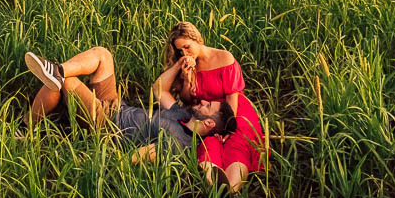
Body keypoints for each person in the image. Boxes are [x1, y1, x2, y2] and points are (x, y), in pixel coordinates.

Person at [21, 47, 235, 160]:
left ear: (209, 124)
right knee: (103, 55)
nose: (203, 102)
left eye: (208, 106)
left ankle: (25, 128)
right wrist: (180, 64)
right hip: (115, 105)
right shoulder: (182, 113)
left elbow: (132, 158)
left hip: (105, 123)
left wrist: (91, 159)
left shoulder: (180, 144)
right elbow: (159, 89)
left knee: (65, 83)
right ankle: (56, 70)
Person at [154, 21, 265, 193]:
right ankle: (213, 188)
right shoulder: (190, 64)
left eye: (187, 47)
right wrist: (187, 78)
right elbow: (187, 100)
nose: (184, 53)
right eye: (180, 51)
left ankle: (233, 190)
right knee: (209, 145)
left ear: (197, 39)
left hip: (232, 113)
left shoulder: (224, 58)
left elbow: (231, 97)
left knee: (235, 145)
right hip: (204, 114)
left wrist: (227, 129)